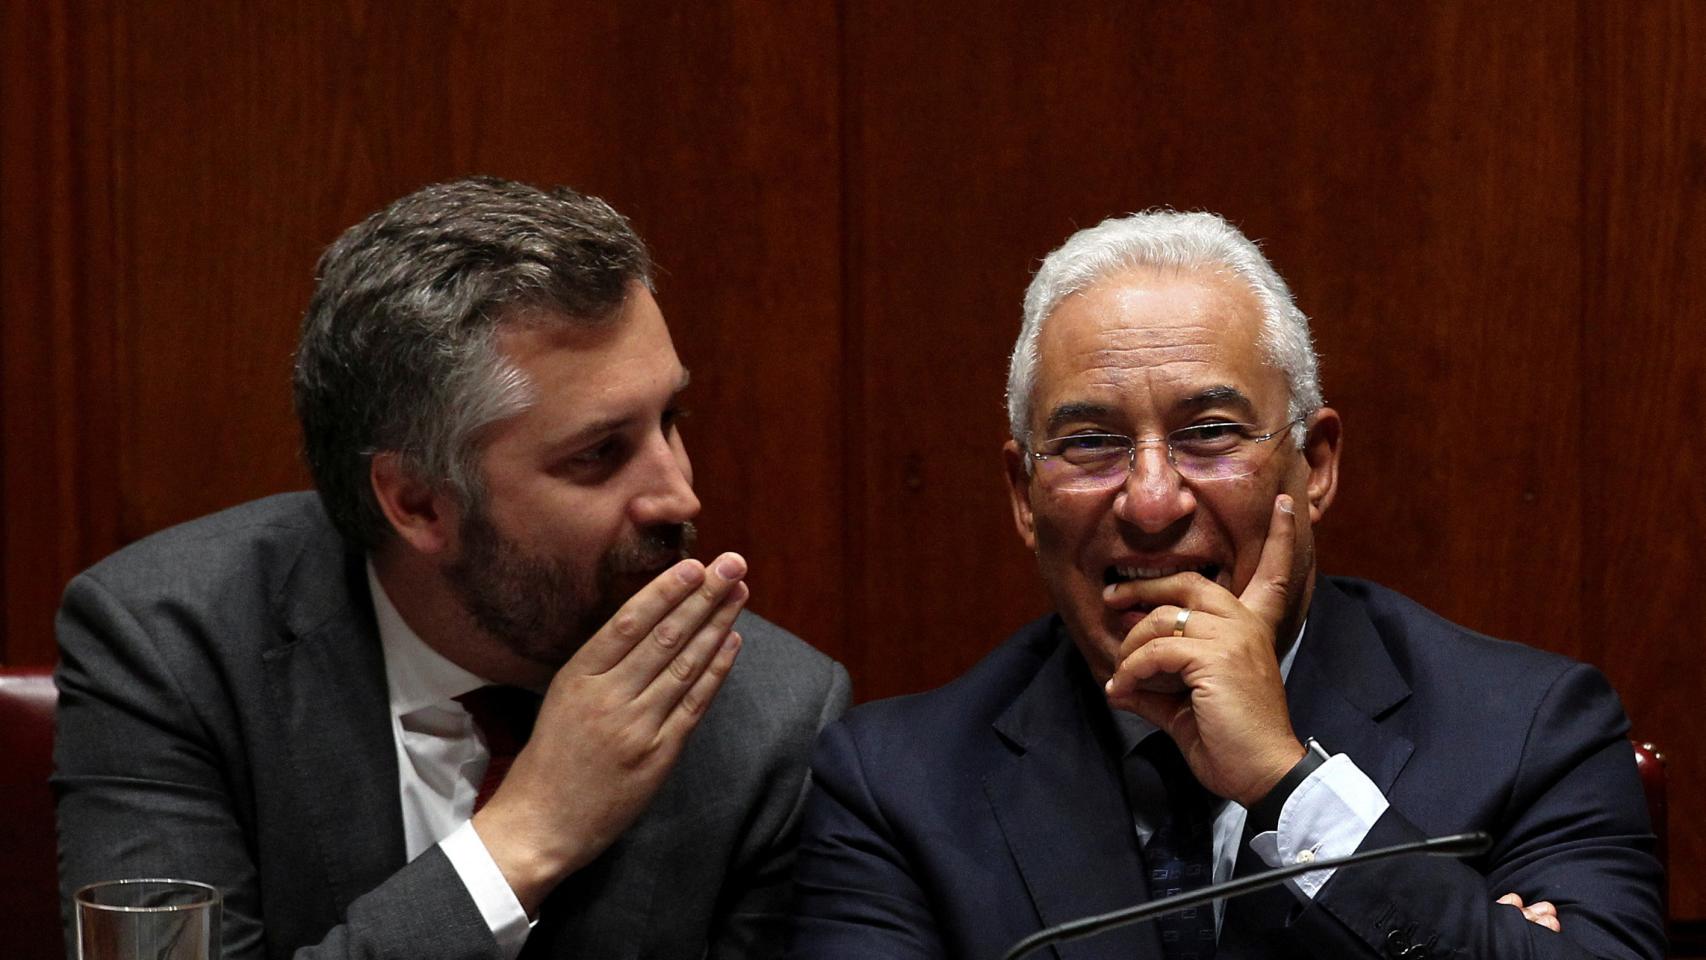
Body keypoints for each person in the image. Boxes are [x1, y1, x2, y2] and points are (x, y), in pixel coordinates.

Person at [786, 211, 1664, 960]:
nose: (1153, 500)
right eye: (1091, 442)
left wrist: (1290, 786)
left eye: (1208, 432)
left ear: (1312, 469)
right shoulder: (893, 788)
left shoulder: (1529, 731)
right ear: (1024, 496)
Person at [54, 176, 850, 960]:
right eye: (600, 453)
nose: (680, 494)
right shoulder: (173, 648)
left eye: (669, 420)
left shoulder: (768, 714)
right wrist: (523, 837)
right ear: (418, 504)